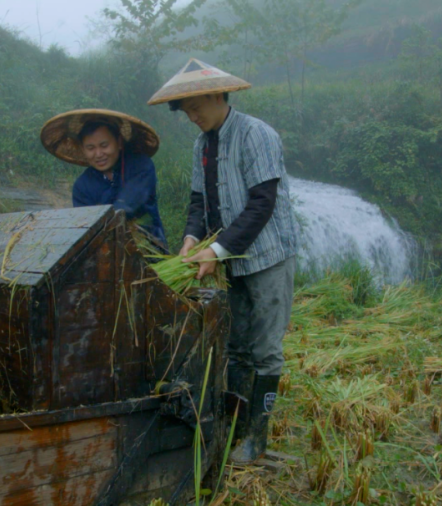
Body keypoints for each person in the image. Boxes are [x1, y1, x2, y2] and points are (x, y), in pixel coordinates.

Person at [148, 58, 300, 463]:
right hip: (233, 261)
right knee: (236, 347)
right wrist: (191, 238)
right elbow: (199, 200)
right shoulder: (203, 144)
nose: (192, 117)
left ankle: (258, 439)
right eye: (186, 111)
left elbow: (262, 203)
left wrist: (215, 252)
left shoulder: (255, 135)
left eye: (196, 107)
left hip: (268, 256)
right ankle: (236, 429)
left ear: (218, 95)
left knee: (265, 349)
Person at [40, 109, 168, 250]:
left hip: (151, 251)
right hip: (106, 257)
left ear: (119, 142)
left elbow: (127, 205)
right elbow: (86, 227)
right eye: (90, 148)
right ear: (82, 149)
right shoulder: (82, 186)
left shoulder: (141, 165)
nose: (99, 154)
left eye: (104, 145)